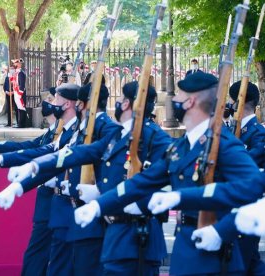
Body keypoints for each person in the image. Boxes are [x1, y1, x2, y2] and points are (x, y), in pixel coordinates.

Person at [74, 72, 259, 275]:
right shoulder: (181, 147)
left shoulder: (224, 145)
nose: (174, 100)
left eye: (178, 95)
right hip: (184, 252)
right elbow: (143, 182)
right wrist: (99, 205)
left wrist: (221, 231)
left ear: (191, 102)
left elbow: (253, 188)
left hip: (216, 256)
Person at [6, 81, 171, 275]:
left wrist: (107, 195)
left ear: (126, 104)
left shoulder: (154, 138)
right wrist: (34, 166)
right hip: (115, 235)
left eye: (120, 99)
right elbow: (79, 153)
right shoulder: (118, 135)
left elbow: (163, 181)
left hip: (141, 237)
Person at [0, 88, 58, 276]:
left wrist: (3, 160)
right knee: (37, 255)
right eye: (46, 99)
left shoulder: (63, 133)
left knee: (49, 255)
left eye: (51, 99)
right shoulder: (51, 133)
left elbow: (37, 154)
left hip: (57, 200)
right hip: (46, 200)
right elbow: (23, 147)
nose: (47, 103)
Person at [11, 59, 27, 128]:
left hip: (19, 93)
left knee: (21, 108)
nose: (14, 64)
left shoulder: (21, 73)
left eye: (15, 63)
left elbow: (22, 85)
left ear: (18, 64)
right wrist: (10, 77)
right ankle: (18, 122)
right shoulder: (16, 73)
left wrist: (20, 94)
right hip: (16, 92)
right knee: (18, 108)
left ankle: (21, 124)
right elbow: (14, 81)